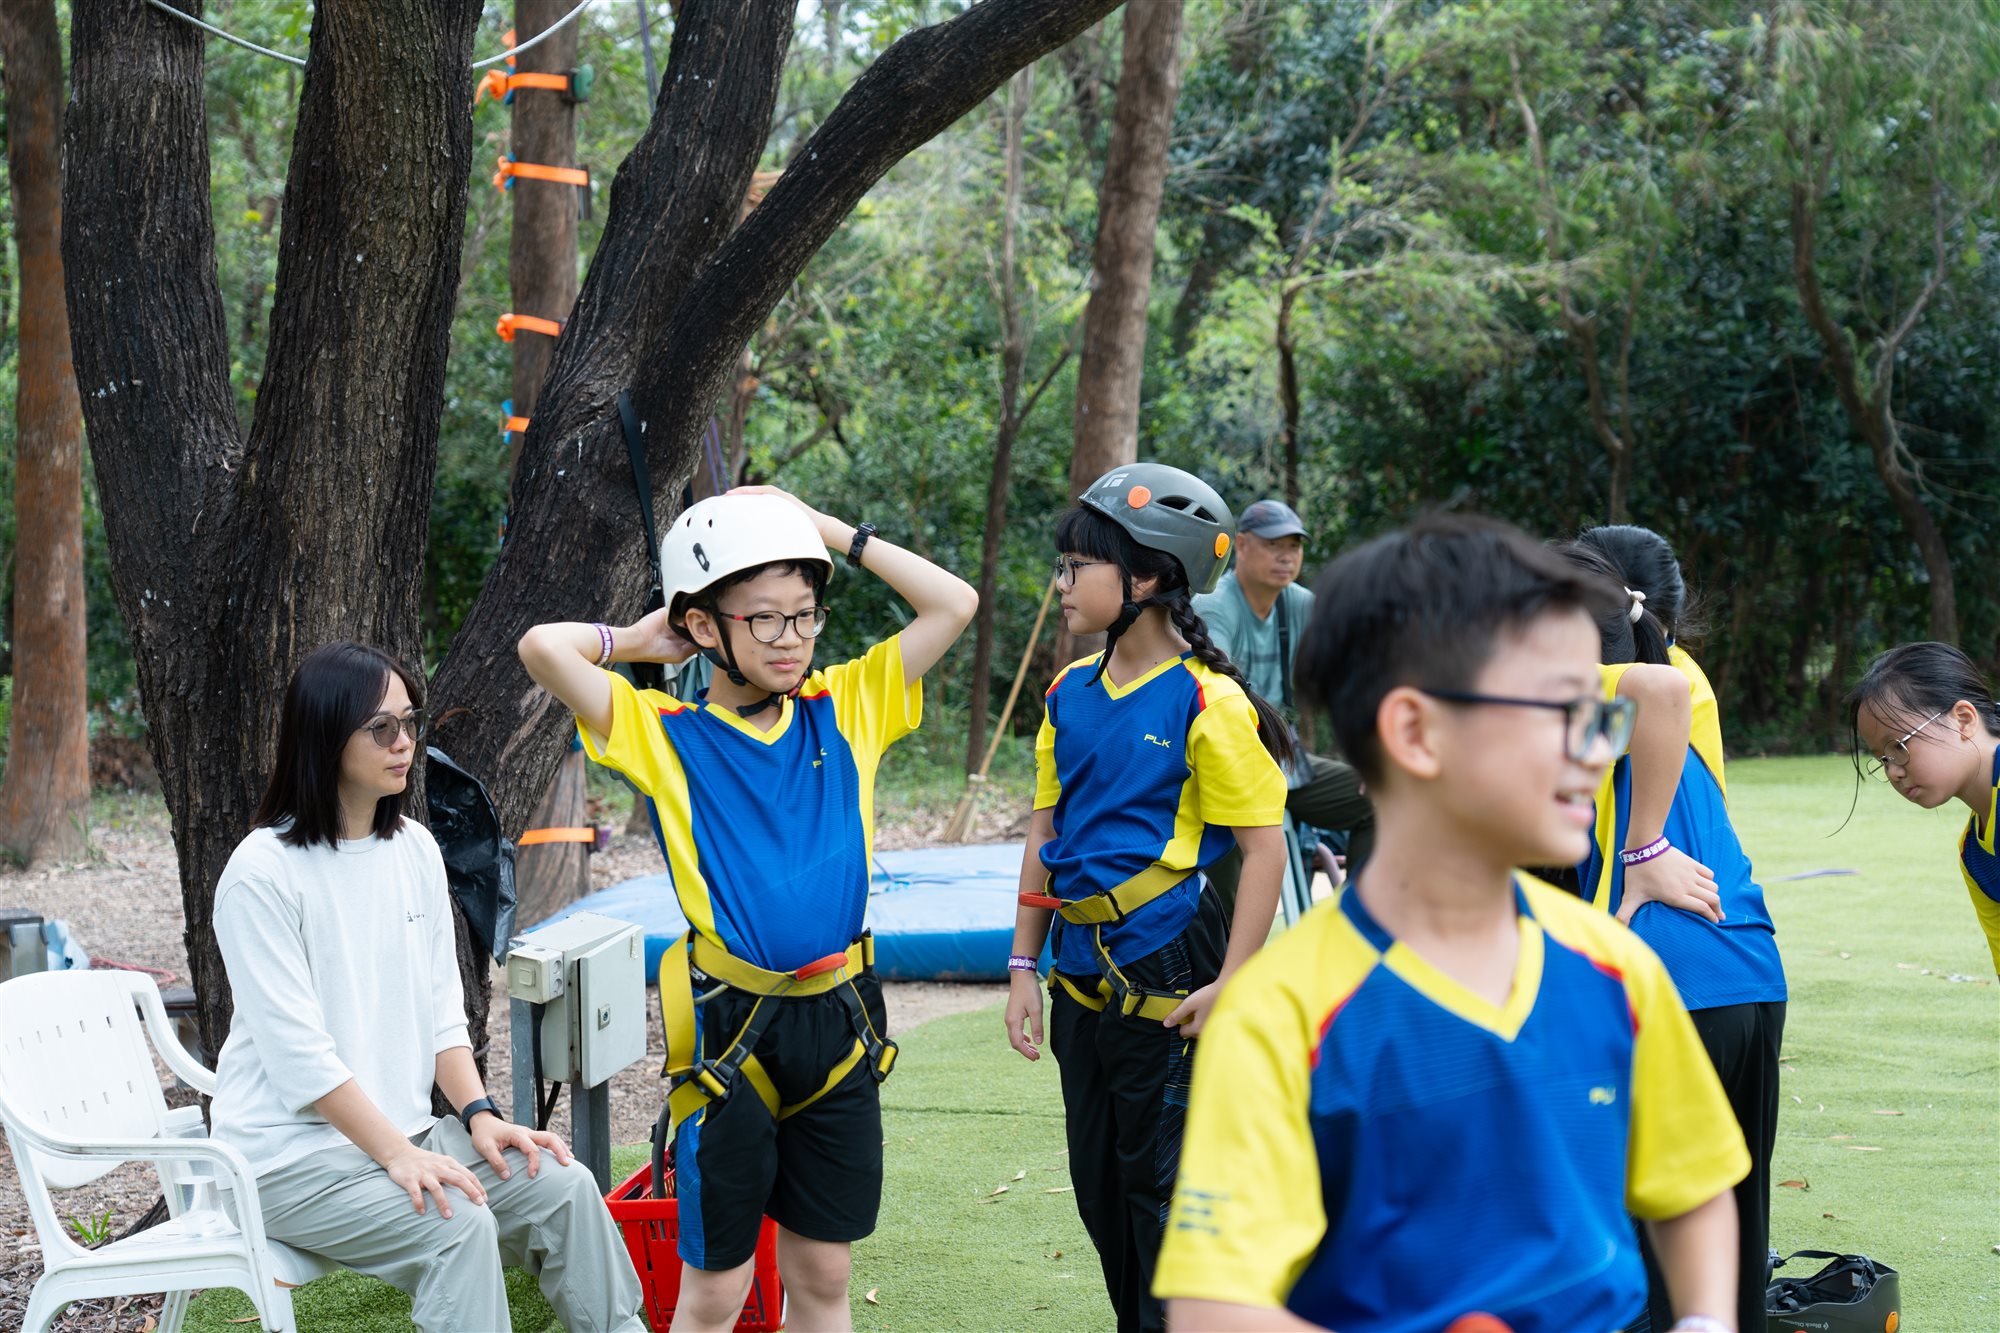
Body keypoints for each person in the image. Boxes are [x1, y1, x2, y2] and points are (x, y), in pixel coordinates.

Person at [1153, 513, 1749, 1333]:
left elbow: (1695, 1187)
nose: (1597, 748)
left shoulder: (1617, 967)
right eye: (1563, 709)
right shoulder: (1280, 1015)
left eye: (1603, 710)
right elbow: (1211, 1308)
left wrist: (1706, 1317)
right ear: (1415, 732)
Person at [519, 486, 977, 1333]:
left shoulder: (848, 706)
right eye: (765, 619)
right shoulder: (664, 732)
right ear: (704, 625)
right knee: (717, 1290)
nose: (791, 638)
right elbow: (542, 647)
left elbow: (954, 602)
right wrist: (638, 639)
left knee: (824, 1274)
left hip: (840, 1021)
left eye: (805, 615)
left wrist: (822, 526)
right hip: (733, 1033)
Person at [210, 641, 644, 1333]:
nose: (404, 742)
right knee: (457, 1222)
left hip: (407, 1136)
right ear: (324, 736)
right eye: (381, 728)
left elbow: (442, 1014)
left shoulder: (413, 846)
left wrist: (480, 1115)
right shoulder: (260, 874)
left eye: (410, 721)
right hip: (286, 1163)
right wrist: (398, 1154)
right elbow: (303, 1063)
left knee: (561, 1185)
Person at [1001, 463, 1291, 1333]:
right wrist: (1022, 964)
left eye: (1076, 566)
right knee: (1099, 1190)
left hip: (1167, 964)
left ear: (1147, 578)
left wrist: (1234, 980)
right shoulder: (1067, 692)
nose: (1061, 584)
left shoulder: (1209, 701)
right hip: (1077, 970)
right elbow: (1045, 832)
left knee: (1159, 1194)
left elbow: (1264, 848)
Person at [1563, 526, 1788, 1333]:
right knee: (1730, 1257)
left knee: (1643, 1270)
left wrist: (1642, 849)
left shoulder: (1591, 696)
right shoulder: (1675, 686)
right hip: (1750, 971)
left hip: (1663, 985)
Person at [1193, 499, 1374, 908]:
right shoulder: (1215, 605)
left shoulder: (1302, 604)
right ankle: (1228, 940)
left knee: (1376, 798)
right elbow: (1214, 690)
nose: (1286, 556)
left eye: (1294, 546)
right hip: (1225, 760)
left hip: (1280, 760)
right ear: (1241, 545)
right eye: (1273, 544)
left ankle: (1357, 924)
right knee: (1231, 831)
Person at [1846, 640, 2000, 974]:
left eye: (1898, 747)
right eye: (1883, 759)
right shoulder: (1973, 855)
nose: (1893, 772)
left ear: (1963, 720)